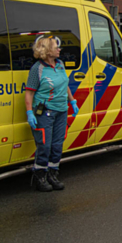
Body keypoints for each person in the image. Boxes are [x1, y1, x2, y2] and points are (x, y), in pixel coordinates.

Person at [24, 36, 78, 192]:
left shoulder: (60, 64)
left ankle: (52, 174)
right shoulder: (37, 69)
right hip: (45, 112)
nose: (59, 49)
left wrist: (72, 101)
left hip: (61, 111)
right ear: (47, 51)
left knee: (57, 145)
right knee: (45, 146)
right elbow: (29, 93)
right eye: (56, 47)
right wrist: (30, 112)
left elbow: (65, 84)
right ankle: (40, 176)